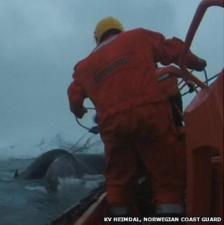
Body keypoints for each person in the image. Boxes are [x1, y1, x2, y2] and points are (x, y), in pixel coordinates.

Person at [67, 17, 206, 220]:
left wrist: (79, 111)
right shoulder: (139, 37)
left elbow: (74, 97)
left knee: (118, 180)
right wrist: (198, 63)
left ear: (97, 38)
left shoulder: (83, 66)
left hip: (113, 126)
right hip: (150, 113)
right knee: (167, 175)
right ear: (119, 30)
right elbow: (174, 49)